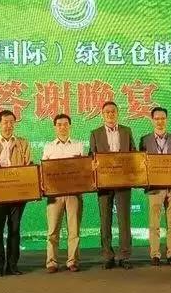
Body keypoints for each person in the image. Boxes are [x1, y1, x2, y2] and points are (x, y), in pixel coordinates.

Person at [89, 101, 136, 270]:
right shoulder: (95, 133)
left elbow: (133, 153)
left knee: (124, 220)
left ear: (117, 113)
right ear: (102, 115)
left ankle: (124, 256)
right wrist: (92, 164)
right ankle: (107, 255)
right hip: (104, 183)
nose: (110, 114)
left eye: (113, 111)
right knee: (105, 219)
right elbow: (91, 155)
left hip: (123, 182)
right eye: (107, 112)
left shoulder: (126, 131)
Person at [0, 110, 31, 276]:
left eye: (11, 122)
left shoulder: (23, 143)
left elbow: (28, 167)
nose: (8, 126)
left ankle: (12, 265)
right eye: (5, 122)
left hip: (17, 194)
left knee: (15, 229)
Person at [140, 107, 171, 266]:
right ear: (152, 120)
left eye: (163, 118)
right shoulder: (145, 140)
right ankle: (155, 255)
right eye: (157, 118)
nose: (160, 121)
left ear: (167, 119)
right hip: (154, 188)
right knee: (154, 224)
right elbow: (140, 164)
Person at [42, 114, 85, 273]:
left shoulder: (79, 145)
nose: (62, 127)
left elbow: (83, 169)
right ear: (55, 127)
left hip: (74, 194)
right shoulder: (48, 147)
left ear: (70, 126)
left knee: (74, 230)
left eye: (65, 124)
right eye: (59, 124)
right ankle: (51, 262)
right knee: (53, 230)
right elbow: (44, 171)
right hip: (54, 196)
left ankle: (72, 261)